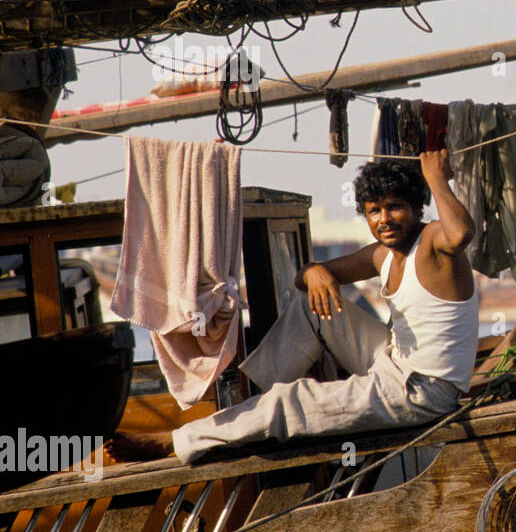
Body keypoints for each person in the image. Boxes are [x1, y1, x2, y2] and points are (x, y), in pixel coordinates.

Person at [110, 149, 479, 464]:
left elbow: (461, 232)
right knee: (308, 305)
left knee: (291, 400)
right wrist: (316, 272)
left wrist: (435, 177)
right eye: (374, 211)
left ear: (416, 208)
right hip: (391, 363)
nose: (384, 219)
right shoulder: (381, 255)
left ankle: (175, 445)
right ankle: (251, 404)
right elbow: (306, 276)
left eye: (395, 207)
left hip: (423, 391)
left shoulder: (433, 242)